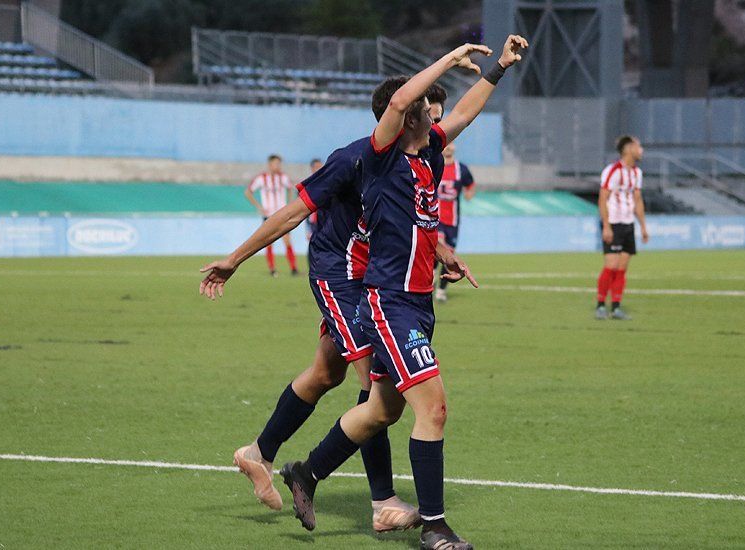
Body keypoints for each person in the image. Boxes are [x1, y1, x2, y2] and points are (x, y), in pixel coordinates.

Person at [279, 35, 527, 550]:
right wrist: (449, 57)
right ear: (410, 115)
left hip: (417, 299)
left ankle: (306, 473)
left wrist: (497, 69)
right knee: (432, 409)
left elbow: (464, 112)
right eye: (425, 107)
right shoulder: (381, 158)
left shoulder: (430, 151)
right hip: (389, 302)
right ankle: (434, 527)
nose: (435, 114)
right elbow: (396, 101)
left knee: (380, 411)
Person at [200, 88, 464, 531]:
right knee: (373, 384)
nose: (434, 128)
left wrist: (438, 248)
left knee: (326, 372)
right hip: (340, 274)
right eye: (428, 116)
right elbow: (290, 214)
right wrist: (235, 258)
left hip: (374, 274)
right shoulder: (355, 159)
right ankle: (382, 502)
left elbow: (407, 218)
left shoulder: (412, 156)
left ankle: (258, 452)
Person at [595, 136, 649, 321]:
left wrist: (642, 226)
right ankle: (600, 305)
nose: (641, 150)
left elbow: (637, 200)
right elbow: (603, 198)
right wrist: (607, 226)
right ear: (628, 149)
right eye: (638, 146)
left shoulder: (637, 173)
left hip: (628, 224)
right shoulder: (613, 171)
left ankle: (616, 307)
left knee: (622, 268)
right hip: (614, 224)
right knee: (611, 266)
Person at [244, 154, 299, 276]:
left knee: (287, 241)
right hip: (268, 215)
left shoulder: (283, 177)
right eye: (275, 163)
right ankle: (272, 269)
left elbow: (291, 189)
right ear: (270, 164)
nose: (278, 166)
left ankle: (294, 268)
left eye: (279, 163)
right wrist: (259, 207)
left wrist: (289, 204)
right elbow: (248, 192)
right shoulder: (261, 178)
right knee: (268, 241)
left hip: (282, 215)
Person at [435, 142, 476, 302]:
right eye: (446, 144)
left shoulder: (461, 169)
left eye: (451, 144)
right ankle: (429, 280)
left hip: (452, 221)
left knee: (450, 256)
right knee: (436, 248)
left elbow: (470, 185)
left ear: (455, 147)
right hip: (435, 219)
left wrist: (469, 194)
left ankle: (441, 289)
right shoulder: (434, 164)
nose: (448, 147)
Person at [305, 158, 323, 241]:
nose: (319, 168)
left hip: (324, 218)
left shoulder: (328, 182)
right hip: (313, 218)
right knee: (313, 241)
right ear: (312, 168)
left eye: (320, 166)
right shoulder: (308, 183)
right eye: (317, 167)